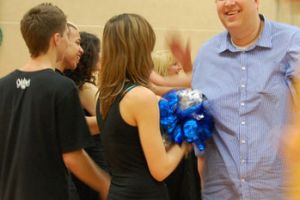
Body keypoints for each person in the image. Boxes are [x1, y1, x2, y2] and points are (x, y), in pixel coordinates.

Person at [168, 0, 300, 199]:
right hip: (221, 193)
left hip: (277, 192)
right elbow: (198, 119)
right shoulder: (207, 55)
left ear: (256, 1)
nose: (229, 3)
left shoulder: (291, 41)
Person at [0, 3, 109, 200]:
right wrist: (104, 183)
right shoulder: (62, 87)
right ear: (56, 39)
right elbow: (73, 156)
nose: (75, 45)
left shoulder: (3, 86)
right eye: (68, 37)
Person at [97, 13, 191, 200]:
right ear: (140, 49)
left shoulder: (104, 94)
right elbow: (160, 170)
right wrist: (186, 138)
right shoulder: (141, 97)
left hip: (117, 192)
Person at [65, 31, 109, 200]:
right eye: (99, 51)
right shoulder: (86, 89)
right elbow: (109, 116)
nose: (102, 56)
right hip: (96, 152)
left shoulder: (81, 86)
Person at [152, 50, 201, 200]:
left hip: (186, 160)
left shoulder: (177, 94)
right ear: (162, 69)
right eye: (174, 64)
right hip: (170, 162)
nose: (179, 67)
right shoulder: (156, 99)